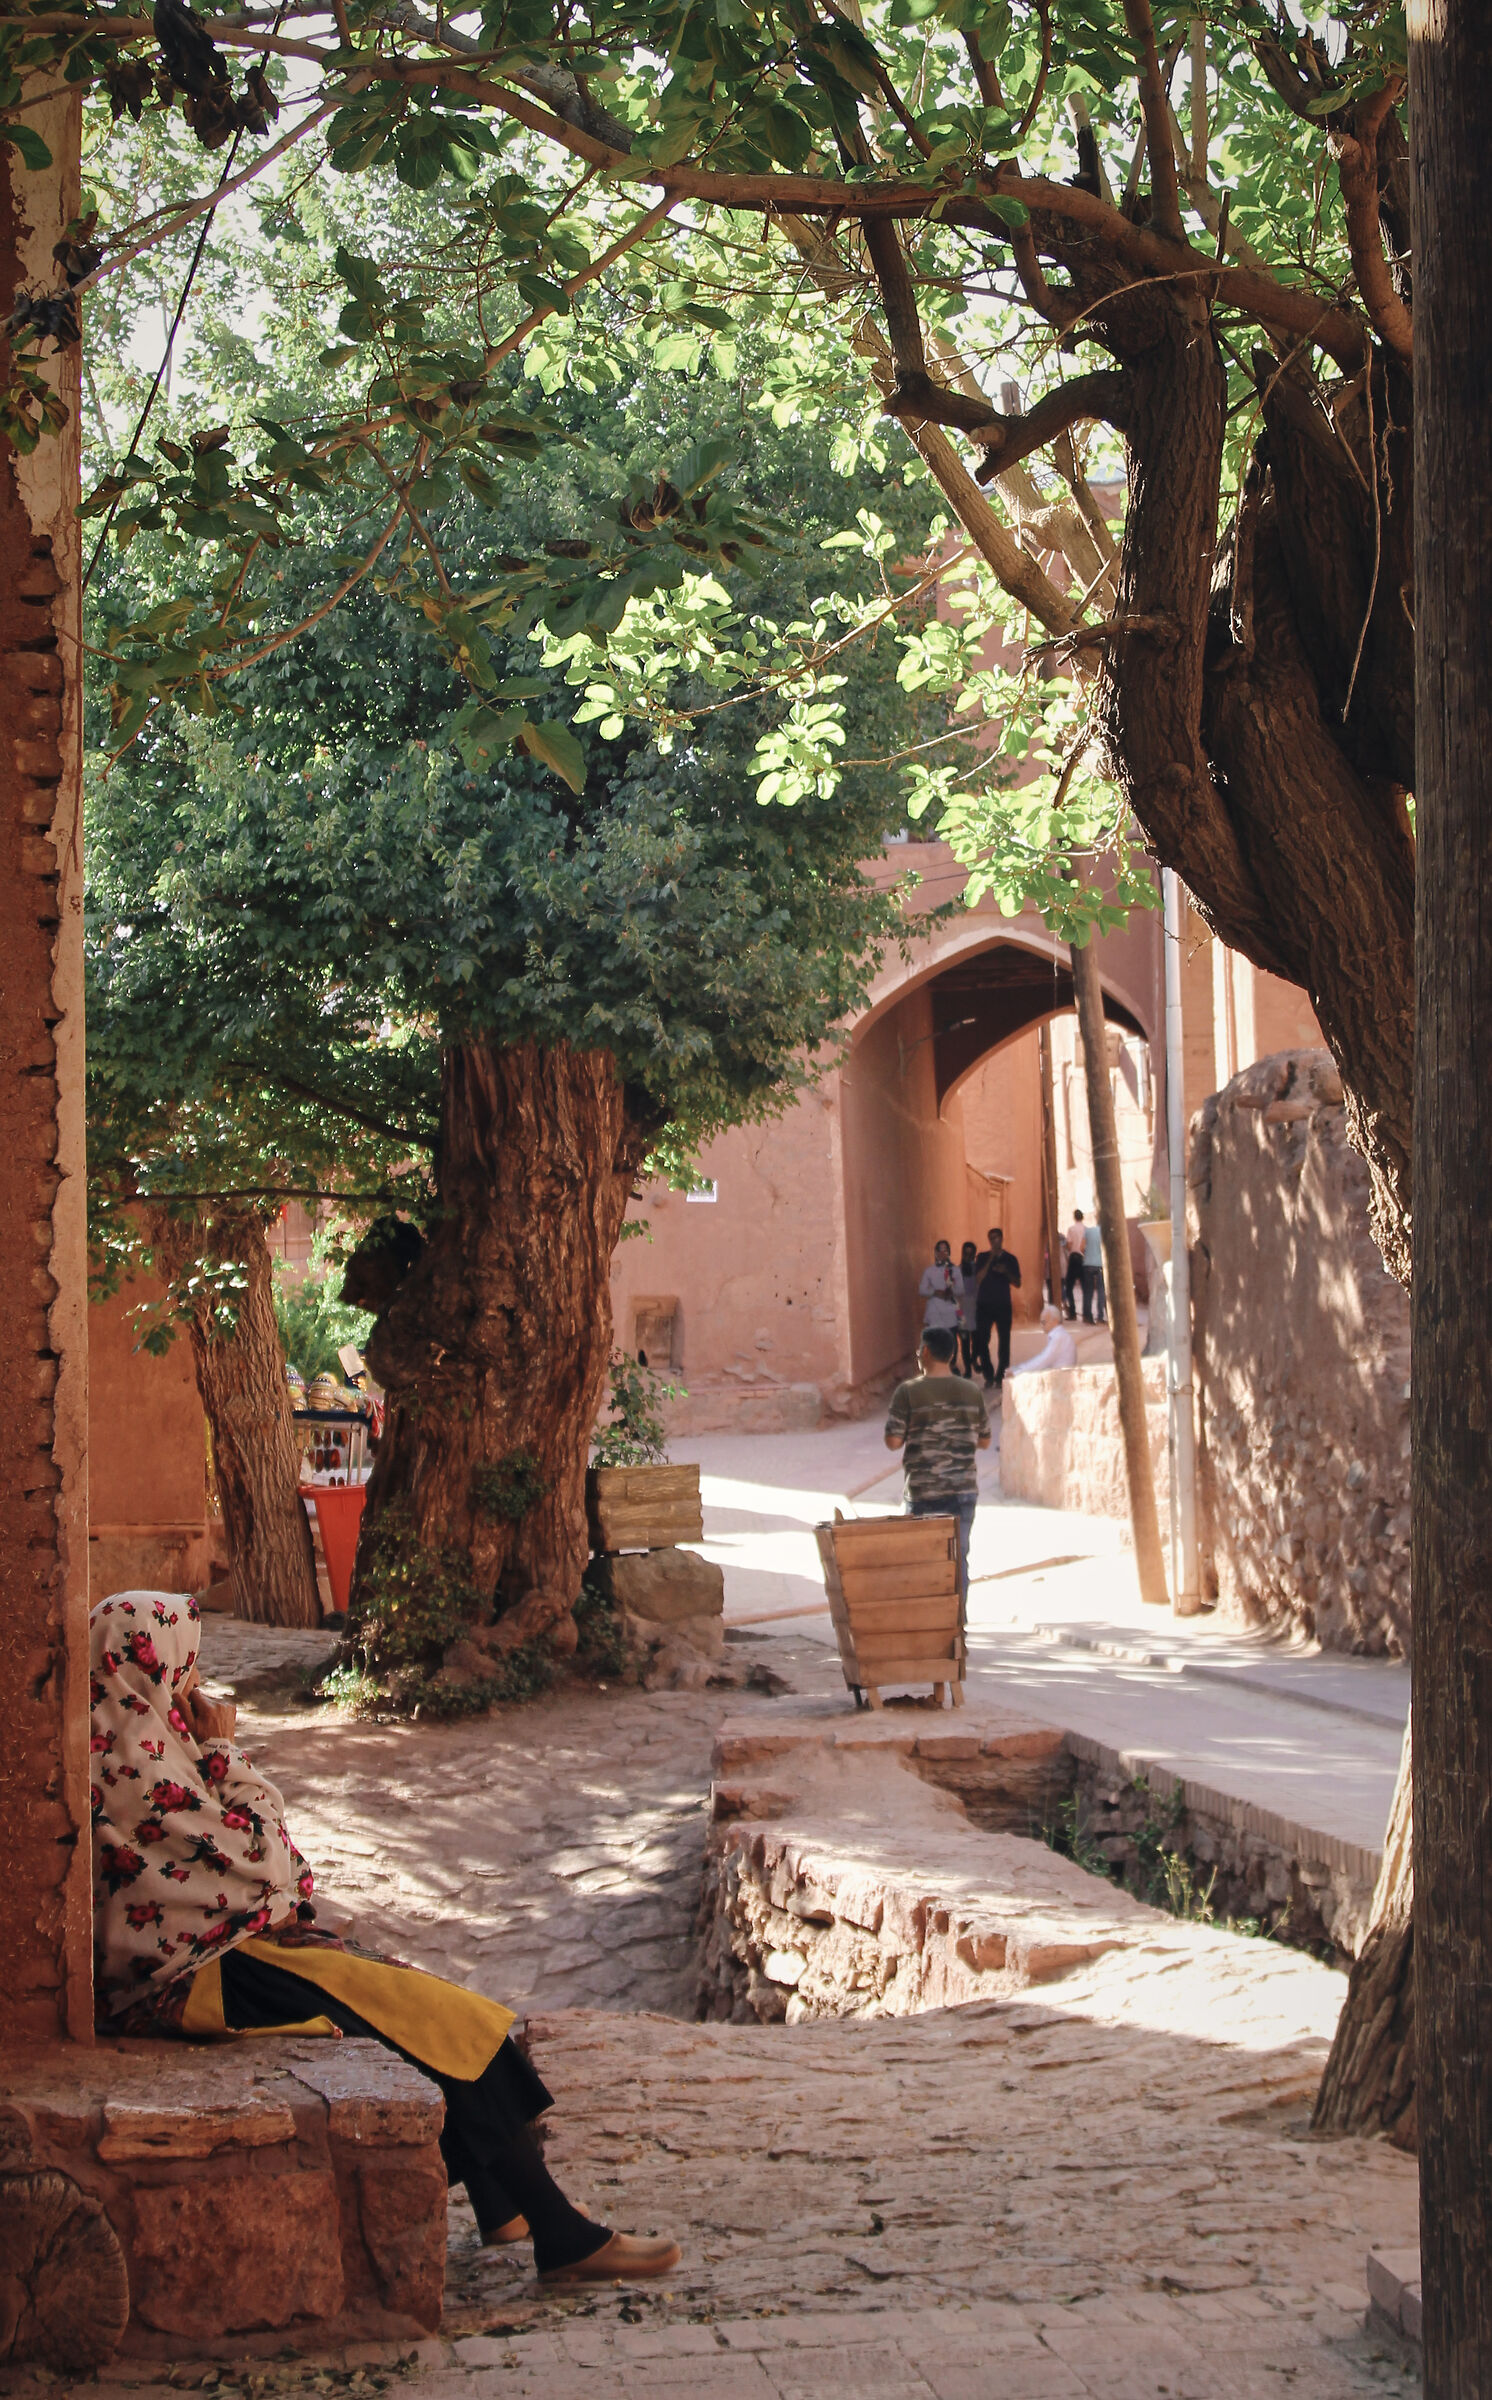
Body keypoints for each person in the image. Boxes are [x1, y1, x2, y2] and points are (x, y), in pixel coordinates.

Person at [89, 1590, 681, 2286]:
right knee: (437, 2021)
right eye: (184, 1666)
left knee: (431, 2009)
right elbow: (265, 1858)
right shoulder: (139, 1765)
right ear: (149, 1665)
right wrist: (224, 1748)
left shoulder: (131, 1740)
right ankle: (562, 2235)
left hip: (219, 1954)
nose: (190, 1684)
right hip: (204, 1977)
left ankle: (506, 2205)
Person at [883, 1326, 992, 1602]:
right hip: (963, 1492)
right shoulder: (971, 1391)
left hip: (924, 1492)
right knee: (958, 1559)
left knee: (922, 1563)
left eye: (920, 1349)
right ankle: (958, 1628)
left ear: (926, 1352)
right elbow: (986, 1440)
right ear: (952, 1354)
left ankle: (930, 1626)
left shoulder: (907, 1393)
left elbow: (893, 1441)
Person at [974, 1227, 1022, 1389]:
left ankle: (1001, 1375)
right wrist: (990, 1260)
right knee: (981, 1341)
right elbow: (978, 1279)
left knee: (1004, 1341)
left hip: (1003, 1304)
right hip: (984, 1305)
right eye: (991, 1238)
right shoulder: (981, 1257)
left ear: (1002, 1239)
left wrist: (1006, 1272)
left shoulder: (1010, 1259)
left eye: (997, 1238)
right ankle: (988, 1374)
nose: (994, 1241)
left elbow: (1017, 1283)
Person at [1007, 1303, 1078, 1378]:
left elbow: (1042, 1361)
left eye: (1044, 1322)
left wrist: (1017, 1371)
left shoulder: (1059, 1337)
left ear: (1055, 1321)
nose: (1041, 1326)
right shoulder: (1059, 1335)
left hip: (1060, 1378)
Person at [918, 1240, 964, 1349]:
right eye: (940, 1251)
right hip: (935, 1311)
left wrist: (952, 1291)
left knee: (952, 1340)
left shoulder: (955, 1270)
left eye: (945, 1251)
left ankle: (952, 1363)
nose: (942, 1254)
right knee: (935, 1342)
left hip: (951, 1310)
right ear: (936, 1252)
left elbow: (961, 1290)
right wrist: (935, 1292)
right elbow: (922, 1290)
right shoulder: (929, 1271)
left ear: (949, 1253)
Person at [956, 1240, 981, 1378]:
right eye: (966, 1253)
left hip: (976, 1310)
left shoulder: (978, 1270)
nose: (968, 1256)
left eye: (970, 1254)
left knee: (978, 1341)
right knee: (965, 1343)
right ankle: (968, 1369)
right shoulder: (957, 1271)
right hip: (962, 1311)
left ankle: (973, 1359)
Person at [1062, 1210, 1088, 1320]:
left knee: (1069, 1287)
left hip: (1073, 1258)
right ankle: (1087, 1313)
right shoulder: (1086, 1229)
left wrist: (1068, 1249)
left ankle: (1072, 1313)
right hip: (1083, 1258)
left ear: (1074, 1217)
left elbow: (1069, 1244)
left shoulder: (1071, 1229)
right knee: (1085, 1287)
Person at [1082, 1211, 1107, 1323]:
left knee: (1088, 1291)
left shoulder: (1088, 1231)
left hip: (1088, 1264)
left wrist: (1088, 1254)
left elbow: (1081, 1247)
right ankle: (1100, 1316)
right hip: (1101, 1265)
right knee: (1101, 1291)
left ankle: (1088, 1316)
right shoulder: (1106, 1232)